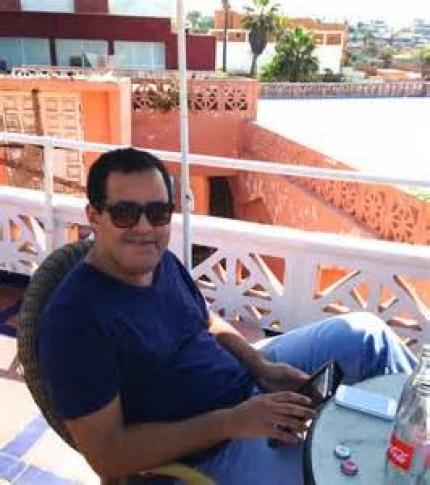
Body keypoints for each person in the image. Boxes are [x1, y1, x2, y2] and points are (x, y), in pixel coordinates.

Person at [38, 148, 416, 484]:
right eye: (125, 213)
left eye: (157, 212)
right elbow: (109, 455)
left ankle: (421, 431)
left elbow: (206, 322)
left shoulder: (160, 261)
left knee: (366, 336)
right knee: (340, 474)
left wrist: (260, 367)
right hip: (209, 451)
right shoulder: (76, 321)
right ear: (94, 216)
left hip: (245, 386)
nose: (144, 228)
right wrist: (233, 422)